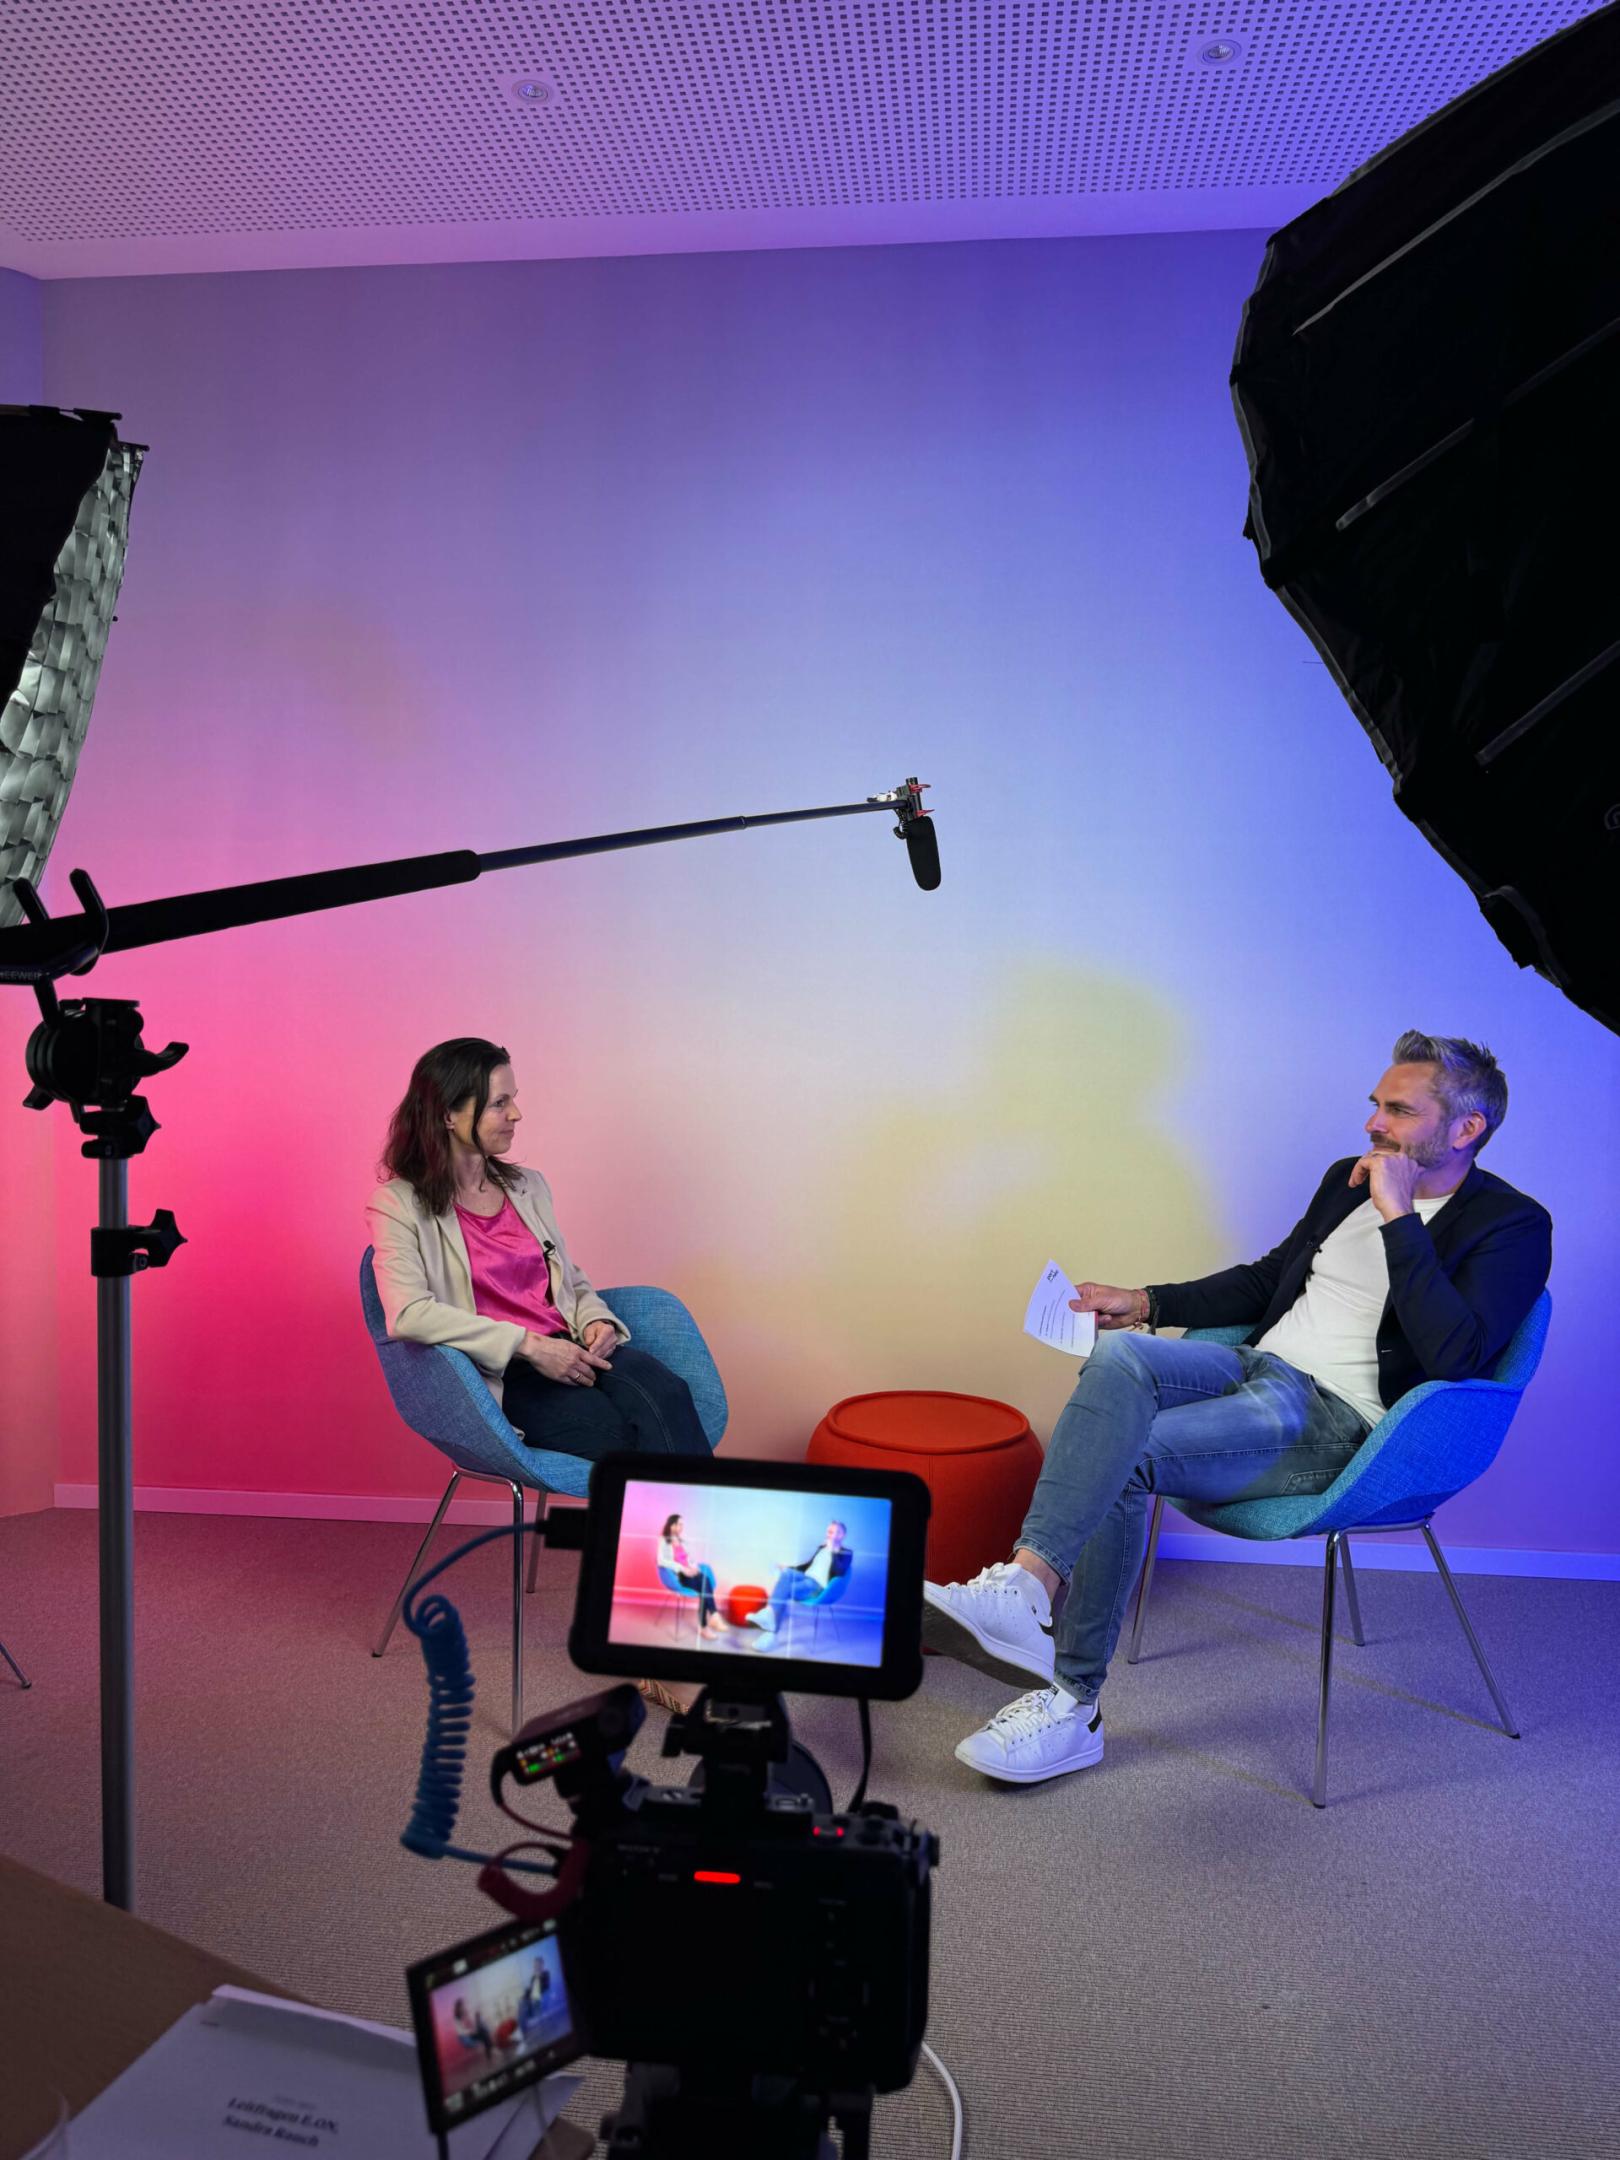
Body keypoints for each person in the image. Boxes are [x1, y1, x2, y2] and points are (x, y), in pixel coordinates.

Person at [924, 1032, 1551, 1787]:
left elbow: (1457, 1357)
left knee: (1126, 1458)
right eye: (1375, 1105)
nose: (1373, 1124)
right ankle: (1026, 1590)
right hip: (1256, 1367)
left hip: (1340, 1420)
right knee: (1118, 1357)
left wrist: (1399, 1218)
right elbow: (1268, 1279)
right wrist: (1146, 1302)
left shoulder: (1512, 1226)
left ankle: (1071, 1705)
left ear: (1466, 1128)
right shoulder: (1346, 1178)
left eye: (1399, 1110)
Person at [367, 1038, 712, 1465]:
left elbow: (569, 1280)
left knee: (669, 1395)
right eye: (499, 1103)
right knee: (616, 1434)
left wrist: (595, 1319)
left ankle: (689, 1512)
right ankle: (686, 1511)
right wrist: (529, 1346)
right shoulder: (398, 1204)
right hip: (507, 1368)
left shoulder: (528, 1187)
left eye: (513, 1100)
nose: (516, 1114)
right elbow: (407, 1314)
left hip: (571, 1345)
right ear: (447, 1115)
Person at [747, 1520, 851, 1640]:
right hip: (806, 1577)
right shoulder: (822, 1548)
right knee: (786, 1573)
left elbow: (839, 1571)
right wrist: (788, 1567)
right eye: (829, 1531)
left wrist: (833, 1549)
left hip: (818, 1586)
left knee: (784, 1590)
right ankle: (770, 1616)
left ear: (842, 1535)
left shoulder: (846, 1553)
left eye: (834, 1532)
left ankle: (771, 1630)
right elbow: (807, 1566)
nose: (830, 1534)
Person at [657, 1512, 727, 1637]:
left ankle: (708, 1623)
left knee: (704, 1583)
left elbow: (689, 1559)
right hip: (678, 1577)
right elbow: (661, 1561)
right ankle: (710, 1620)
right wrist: (682, 1569)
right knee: (705, 1585)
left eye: (682, 1525)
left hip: (690, 1573)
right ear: (672, 1525)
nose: (682, 1527)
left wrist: (693, 1567)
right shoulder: (663, 1540)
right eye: (679, 1524)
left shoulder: (682, 1541)